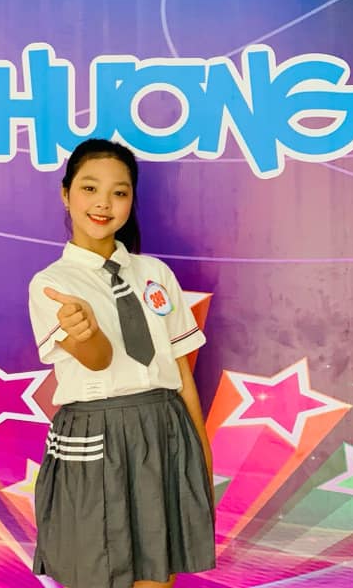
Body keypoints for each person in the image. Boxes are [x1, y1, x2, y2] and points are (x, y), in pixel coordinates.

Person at [28, 138, 216, 588]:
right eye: (89, 188)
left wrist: (201, 457)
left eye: (119, 192)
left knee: (158, 572)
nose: (104, 203)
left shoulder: (156, 273)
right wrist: (85, 333)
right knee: (96, 571)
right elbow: (98, 361)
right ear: (66, 194)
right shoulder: (51, 284)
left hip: (164, 428)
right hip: (96, 432)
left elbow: (181, 372)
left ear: (131, 200)